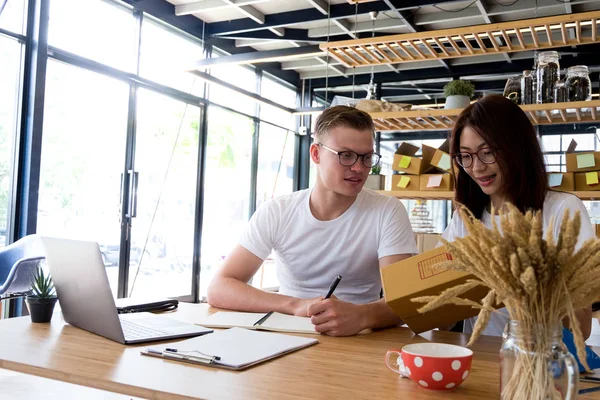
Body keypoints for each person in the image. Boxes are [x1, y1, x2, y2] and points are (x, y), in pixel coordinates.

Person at [207, 105, 417, 336]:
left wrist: (362, 315)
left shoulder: (387, 211)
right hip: (287, 336)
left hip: (360, 338)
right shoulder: (278, 211)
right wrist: (296, 305)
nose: (359, 168)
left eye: (367, 157)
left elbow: (403, 303)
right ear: (316, 154)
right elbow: (219, 288)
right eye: (346, 155)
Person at [443, 94, 593, 339]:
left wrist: (534, 283)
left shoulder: (563, 210)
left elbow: (582, 328)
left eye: (487, 152)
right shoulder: (465, 218)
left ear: (517, 148)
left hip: (540, 363)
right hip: (480, 360)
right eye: (466, 156)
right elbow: (443, 324)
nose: (477, 167)